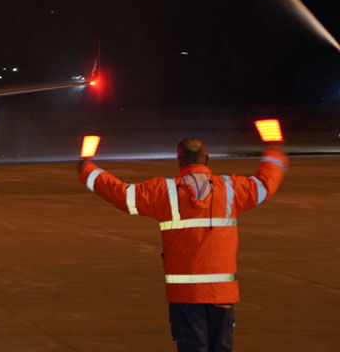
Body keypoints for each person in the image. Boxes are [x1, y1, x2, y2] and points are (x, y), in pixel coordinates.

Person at [77, 136, 288, 352]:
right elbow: (265, 185)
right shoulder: (231, 189)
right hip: (222, 294)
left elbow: (120, 194)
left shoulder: (164, 192)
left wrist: (88, 168)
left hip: (186, 295)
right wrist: (273, 150)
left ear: (179, 161)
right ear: (207, 158)